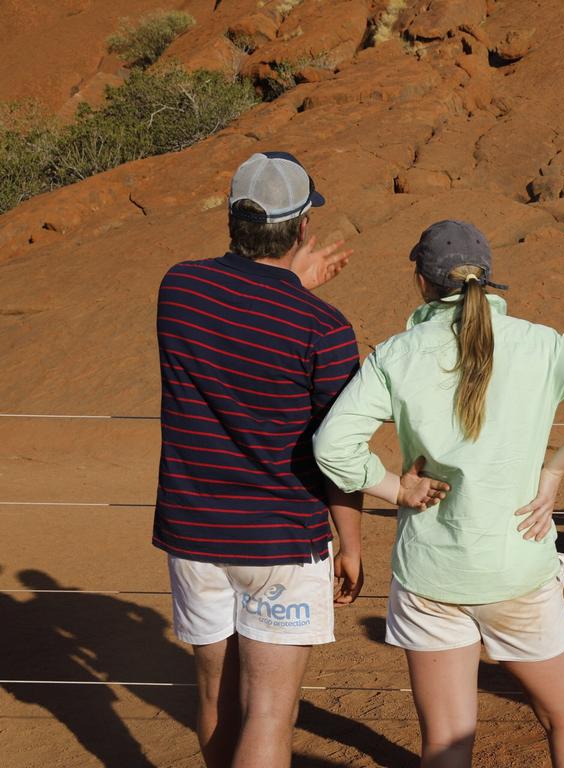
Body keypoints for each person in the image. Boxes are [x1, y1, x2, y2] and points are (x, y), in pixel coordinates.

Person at [152, 151, 442, 768]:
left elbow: (239, 311)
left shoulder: (178, 289)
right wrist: (353, 542)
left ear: (234, 217)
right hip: (282, 542)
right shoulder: (324, 329)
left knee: (214, 698)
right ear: (304, 228)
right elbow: (336, 451)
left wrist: (288, 284)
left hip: (193, 534)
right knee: (269, 713)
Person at [313, 220, 564, 768]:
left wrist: (397, 488)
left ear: (421, 281)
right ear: (488, 281)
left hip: (429, 575)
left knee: (446, 741)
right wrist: (554, 471)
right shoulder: (540, 343)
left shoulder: (395, 355)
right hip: (518, 564)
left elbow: (332, 446)